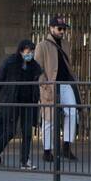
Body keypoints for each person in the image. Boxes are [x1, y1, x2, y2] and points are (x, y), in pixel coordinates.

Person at [0, 38, 42, 168]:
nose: (29, 53)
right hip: (12, 101)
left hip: (28, 102)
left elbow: (37, 82)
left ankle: (24, 161)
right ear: (20, 51)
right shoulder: (10, 62)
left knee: (27, 132)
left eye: (32, 51)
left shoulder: (34, 66)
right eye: (27, 51)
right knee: (10, 131)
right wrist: (3, 96)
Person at [36, 15, 80, 163]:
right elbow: (38, 68)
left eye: (64, 29)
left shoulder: (66, 44)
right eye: (59, 28)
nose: (62, 31)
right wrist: (45, 85)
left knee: (72, 112)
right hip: (51, 86)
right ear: (51, 28)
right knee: (49, 118)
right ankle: (47, 151)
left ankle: (66, 146)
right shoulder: (42, 46)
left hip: (66, 83)